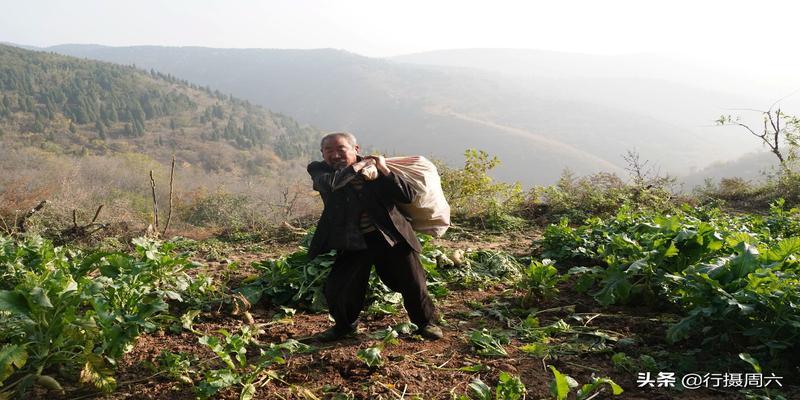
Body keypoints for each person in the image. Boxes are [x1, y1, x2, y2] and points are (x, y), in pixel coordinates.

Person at [305, 132, 442, 341]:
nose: (335, 155)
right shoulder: (319, 169)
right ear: (322, 154)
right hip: (352, 240)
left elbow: (406, 195)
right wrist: (361, 167)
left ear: (355, 149)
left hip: (390, 235)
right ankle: (344, 327)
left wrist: (384, 170)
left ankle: (425, 323)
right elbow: (331, 183)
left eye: (341, 149)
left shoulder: (377, 168)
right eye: (329, 151)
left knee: (413, 282)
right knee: (339, 288)